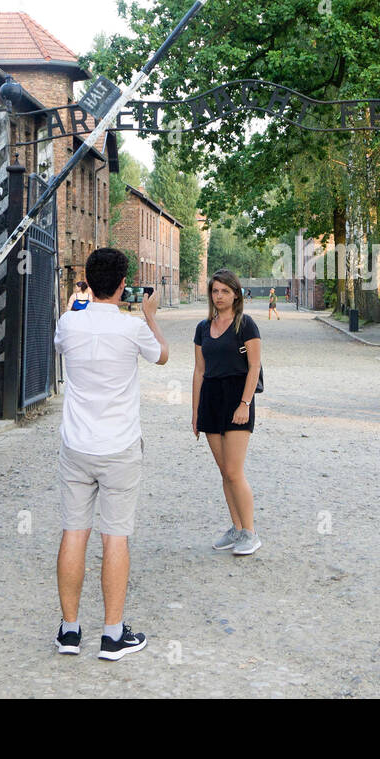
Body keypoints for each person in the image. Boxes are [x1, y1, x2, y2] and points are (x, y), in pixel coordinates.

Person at [52, 248, 169, 661]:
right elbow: (163, 355)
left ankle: (69, 631)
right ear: (124, 285)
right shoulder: (132, 328)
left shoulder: (69, 322)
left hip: (77, 445)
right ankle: (112, 634)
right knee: (115, 536)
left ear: (86, 281)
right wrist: (150, 315)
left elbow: (62, 339)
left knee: (73, 532)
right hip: (119, 447)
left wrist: (76, 304)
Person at [193, 269, 262, 556]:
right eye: (215, 291)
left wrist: (244, 404)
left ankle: (250, 532)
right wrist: (195, 412)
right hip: (210, 399)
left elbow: (254, 367)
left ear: (236, 293)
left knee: (234, 471)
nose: (219, 296)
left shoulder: (246, 325)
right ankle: (236, 528)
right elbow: (199, 370)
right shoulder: (202, 328)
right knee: (224, 472)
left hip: (236, 399)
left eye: (224, 291)